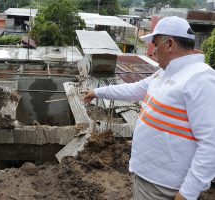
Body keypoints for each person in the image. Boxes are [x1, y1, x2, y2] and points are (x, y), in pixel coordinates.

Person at [83, 16, 215, 200]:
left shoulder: (200, 79)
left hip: (166, 188)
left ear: (170, 44)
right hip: (147, 178)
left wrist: (187, 193)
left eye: (155, 43)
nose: (151, 51)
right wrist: (97, 92)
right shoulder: (164, 74)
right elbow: (132, 89)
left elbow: (211, 144)